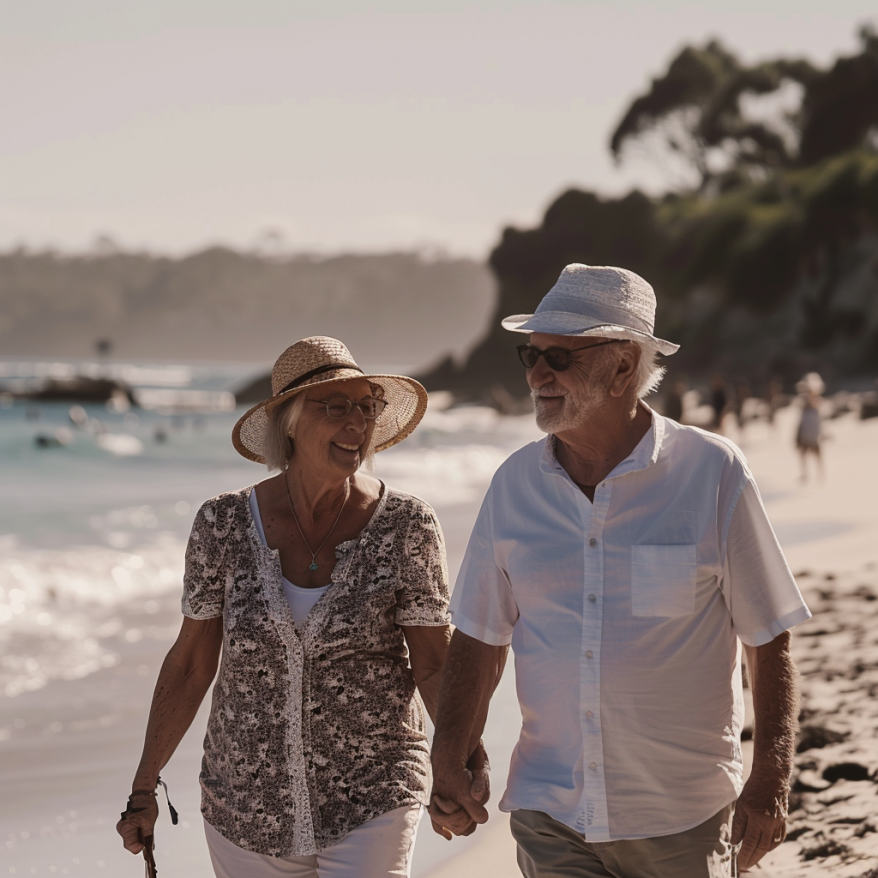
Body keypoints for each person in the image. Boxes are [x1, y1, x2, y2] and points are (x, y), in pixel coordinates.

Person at [429, 265, 811, 878]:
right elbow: (478, 636)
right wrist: (448, 754)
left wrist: (770, 779)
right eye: (532, 354)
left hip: (682, 816)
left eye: (560, 357)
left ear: (625, 368)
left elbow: (768, 640)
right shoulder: (513, 487)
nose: (536, 374)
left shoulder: (712, 473)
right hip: (550, 810)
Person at [116, 336, 485, 878]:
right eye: (335, 406)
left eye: (366, 406)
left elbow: (433, 660)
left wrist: (461, 759)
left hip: (374, 793)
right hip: (244, 805)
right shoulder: (222, 525)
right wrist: (143, 787)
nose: (356, 423)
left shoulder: (408, 524)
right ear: (289, 421)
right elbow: (193, 662)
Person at [795, 373, 825, 483]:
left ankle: (820, 474)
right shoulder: (804, 406)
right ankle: (806, 474)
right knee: (803, 454)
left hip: (812, 434)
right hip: (806, 434)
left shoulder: (815, 405)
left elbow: (818, 422)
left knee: (817, 454)